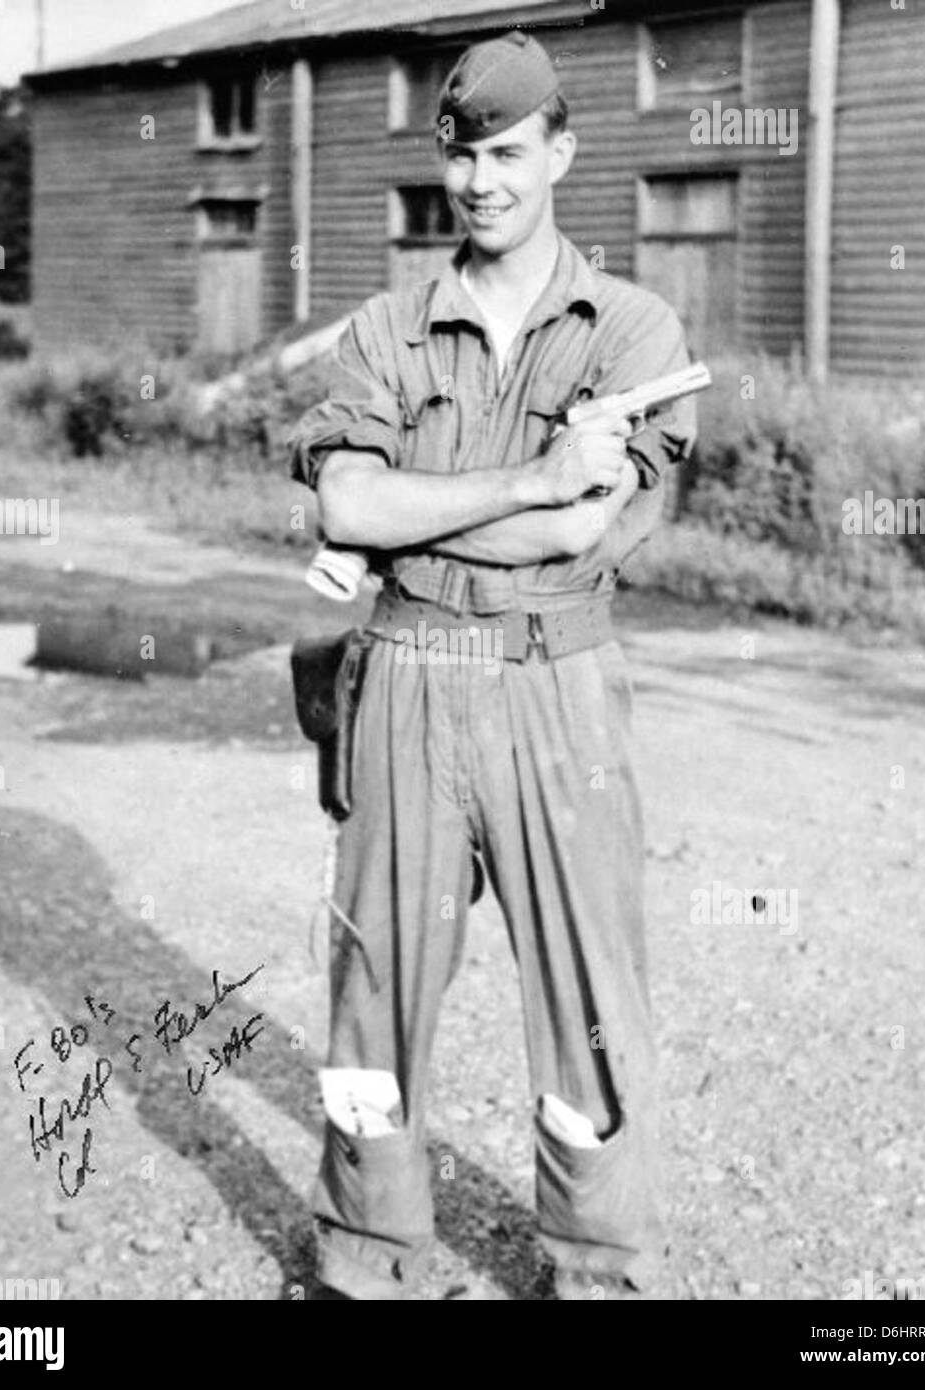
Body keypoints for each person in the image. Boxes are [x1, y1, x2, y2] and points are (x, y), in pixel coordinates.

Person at [289, 29, 697, 1300]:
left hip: (555, 685)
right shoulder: (386, 328)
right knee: (376, 990)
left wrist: (414, 502)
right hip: (402, 672)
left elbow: (585, 529)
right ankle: (370, 1259)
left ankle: (596, 1268)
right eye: (462, 154)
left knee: (586, 993)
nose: (483, 181)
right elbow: (345, 508)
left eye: (509, 152)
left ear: (559, 152)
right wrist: (524, 476)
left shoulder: (631, 327)